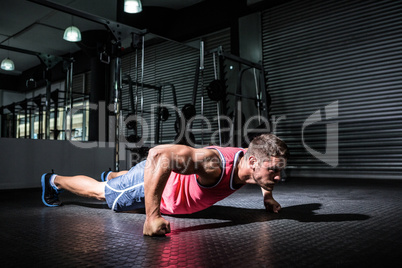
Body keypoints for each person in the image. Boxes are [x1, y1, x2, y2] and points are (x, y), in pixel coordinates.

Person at [41, 133, 289, 236]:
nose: (277, 177)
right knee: (102, 195)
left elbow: (265, 175)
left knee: (123, 184)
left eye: (279, 171)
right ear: (253, 161)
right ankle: (54, 181)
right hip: (158, 188)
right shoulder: (215, 164)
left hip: (166, 190)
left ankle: (115, 176)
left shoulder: (253, 161)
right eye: (273, 171)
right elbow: (159, 156)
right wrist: (152, 217)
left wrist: (267, 196)